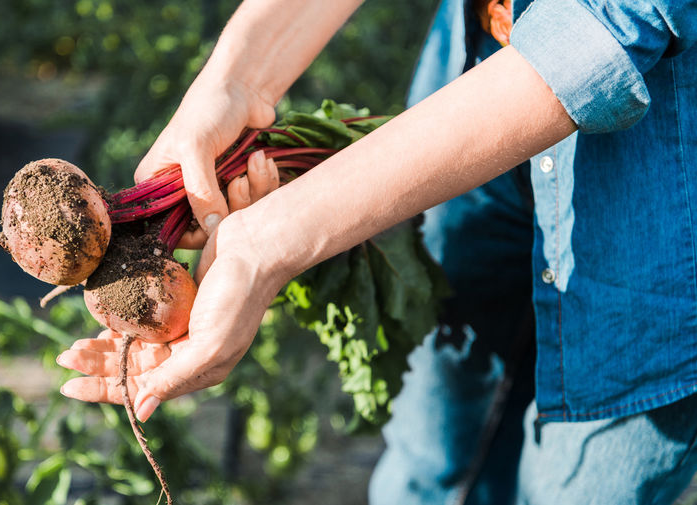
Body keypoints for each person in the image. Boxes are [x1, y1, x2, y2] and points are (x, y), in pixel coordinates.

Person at [56, 0, 697, 502]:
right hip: (478, 69)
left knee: (581, 482)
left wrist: (269, 241)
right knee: (430, 445)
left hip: (658, 194)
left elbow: (607, 28)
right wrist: (237, 78)